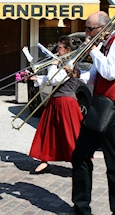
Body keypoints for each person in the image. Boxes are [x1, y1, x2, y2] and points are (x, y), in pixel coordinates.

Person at [56, 11, 115, 215]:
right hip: (99, 105)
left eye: (90, 29)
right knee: (80, 155)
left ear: (103, 28)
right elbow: (97, 77)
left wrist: (93, 50)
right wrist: (78, 74)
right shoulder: (105, 45)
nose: (87, 34)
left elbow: (111, 72)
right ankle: (81, 210)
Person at [27, 36, 82, 174]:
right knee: (48, 132)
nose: (56, 50)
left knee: (70, 135)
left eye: (59, 47)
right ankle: (44, 159)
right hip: (56, 101)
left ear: (68, 50)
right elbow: (51, 79)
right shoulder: (62, 64)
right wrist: (35, 78)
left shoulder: (69, 64)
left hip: (66, 103)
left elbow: (54, 79)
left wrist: (52, 64)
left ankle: (79, 162)